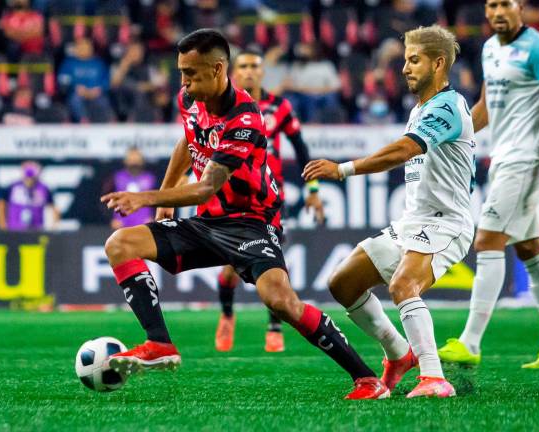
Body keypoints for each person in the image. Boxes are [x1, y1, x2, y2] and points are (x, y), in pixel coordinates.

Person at [100, 29, 389, 400]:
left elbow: (207, 187)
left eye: (191, 73)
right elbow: (188, 142)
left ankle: (366, 379)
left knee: (281, 301)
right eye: (181, 72)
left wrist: (144, 197)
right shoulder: (189, 99)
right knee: (119, 243)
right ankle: (159, 343)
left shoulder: (247, 120)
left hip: (251, 223)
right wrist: (164, 201)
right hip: (207, 224)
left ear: (219, 69)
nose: (183, 82)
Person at [304, 24, 475, 398]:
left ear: (439, 63)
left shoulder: (448, 106)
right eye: (405, 60)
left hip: (447, 224)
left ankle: (434, 378)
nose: (405, 68)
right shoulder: (422, 108)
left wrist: (343, 169)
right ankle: (398, 353)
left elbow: (402, 151)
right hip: (413, 222)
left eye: (414, 60)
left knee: (402, 285)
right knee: (343, 283)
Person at [438, 0, 539, 369]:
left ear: (520, 7)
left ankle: (470, 342)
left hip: (527, 156)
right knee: (531, 248)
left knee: (487, 239)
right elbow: (486, 105)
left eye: (505, 4)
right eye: (490, 5)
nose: (496, 11)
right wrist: (455, 134)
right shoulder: (489, 48)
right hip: (504, 155)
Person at [213, 49, 325, 353]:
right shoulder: (223, 106)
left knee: (272, 263)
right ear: (234, 72)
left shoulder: (279, 106)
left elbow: (301, 149)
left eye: (255, 66)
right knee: (228, 267)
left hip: (269, 198)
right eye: (244, 66)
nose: (249, 71)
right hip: (232, 197)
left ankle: (274, 327)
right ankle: (226, 315)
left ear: (263, 72)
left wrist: (313, 190)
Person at [58, 37, 113, 123]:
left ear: (91, 48)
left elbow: (107, 80)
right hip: (77, 93)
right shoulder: (68, 63)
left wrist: (99, 89)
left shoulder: (99, 63)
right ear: (76, 49)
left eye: (86, 47)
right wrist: (75, 88)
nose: (84, 49)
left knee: (104, 101)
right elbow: (63, 80)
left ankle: (109, 121)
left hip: (96, 93)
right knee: (75, 100)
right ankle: (83, 121)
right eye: (81, 47)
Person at [105, 147, 158, 230]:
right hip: (121, 224)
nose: (134, 161)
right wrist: (111, 219)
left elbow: (160, 200)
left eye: (137, 158)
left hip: (144, 224)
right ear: (125, 160)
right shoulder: (116, 178)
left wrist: (154, 218)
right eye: (131, 158)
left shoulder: (151, 178)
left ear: (142, 160)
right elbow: (104, 200)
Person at [0, 161, 60, 231]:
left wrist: (54, 226)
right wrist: (2, 224)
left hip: (36, 230)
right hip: (14, 230)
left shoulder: (43, 188)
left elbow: (54, 208)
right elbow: (1, 203)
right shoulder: (13, 186)